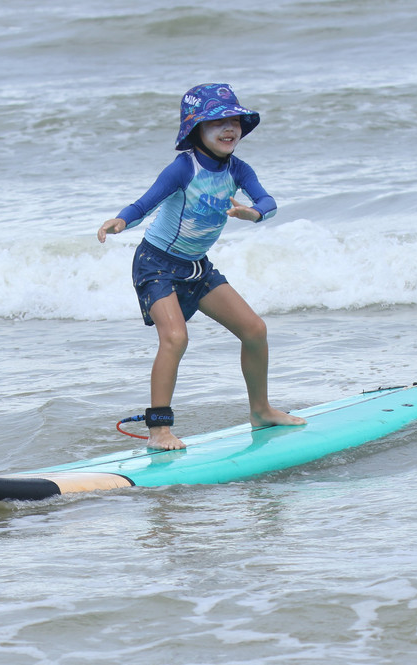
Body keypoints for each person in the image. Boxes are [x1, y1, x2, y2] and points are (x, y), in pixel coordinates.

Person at [97, 83, 305, 451]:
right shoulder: (183, 168)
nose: (229, 128)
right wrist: (120, 221)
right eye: (217, 122)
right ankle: (159, 429)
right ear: (197, 130)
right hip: (156, 264)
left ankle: (261, 411)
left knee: (255, 329)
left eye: (234, 121)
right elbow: (145, 203)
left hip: (196, 267)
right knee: (175, 338)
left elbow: (268, 202)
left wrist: (250, 212)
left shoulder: (238, 170)